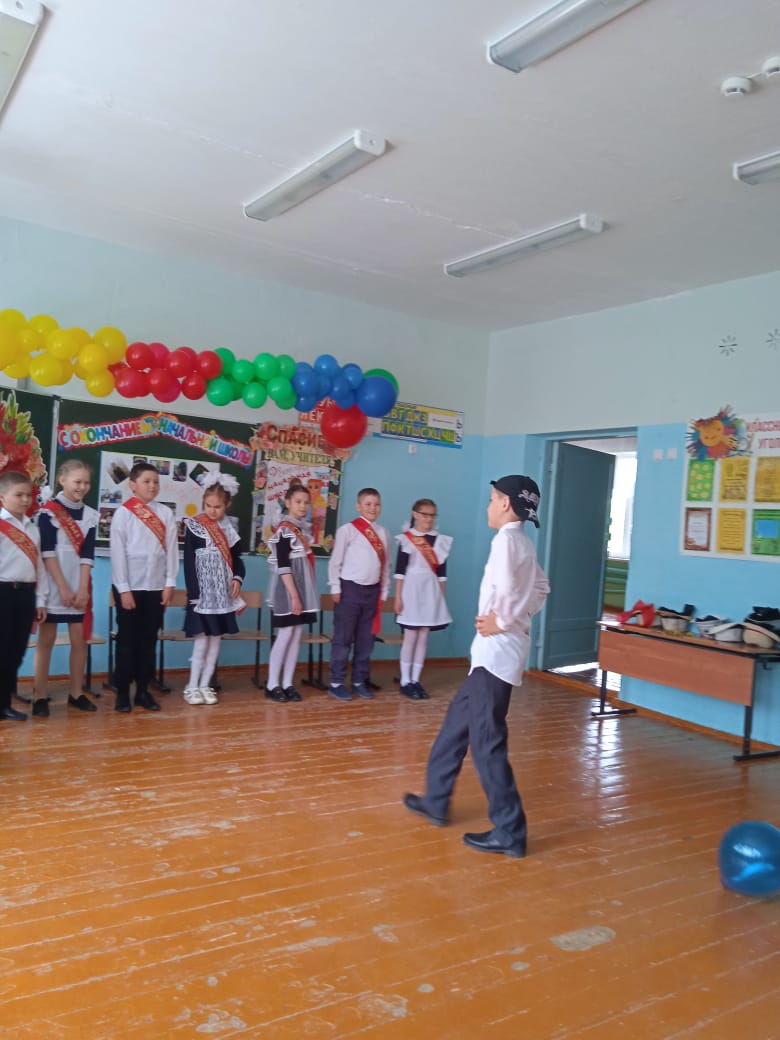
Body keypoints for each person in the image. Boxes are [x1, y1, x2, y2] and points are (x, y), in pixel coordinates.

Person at [403, 475, 550, 858]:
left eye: (491, 499)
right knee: (455, 729)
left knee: (487, 745)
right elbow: (541, 589)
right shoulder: (522, 541)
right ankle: (436, 800)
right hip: (490, 656)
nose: (488, 506)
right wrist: (516, 617)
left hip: (497, 657)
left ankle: (510, 831)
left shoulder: (506, 542)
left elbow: (513, 591)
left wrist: (505, 620)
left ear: (505, 504)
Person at [110, 462, 178, 713]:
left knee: (149, 641)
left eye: (156, 482)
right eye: (146, 481)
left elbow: (172, 551)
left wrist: (169, 583)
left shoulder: (165, 513)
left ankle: (142, 691)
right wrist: (124, 589)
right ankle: (122, 693)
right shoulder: (123, 514)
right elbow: (118, 554)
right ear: (132, 485)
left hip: (156, 587)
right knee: (127, 642)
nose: (152, 486)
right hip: (129, 587)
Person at [33, 460, 99, 717]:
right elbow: (48, 553)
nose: (82, 487)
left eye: (86, 482)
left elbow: (87, 556)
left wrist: (82, 589)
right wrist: (62, 588)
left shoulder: (91, 516)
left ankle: (76, 692)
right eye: (77, 481)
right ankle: (39, 695)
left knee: (79, 640)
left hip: (78, 586)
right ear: (62, 480)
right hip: (53, 586)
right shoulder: (48, 512)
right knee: (46, 640)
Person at [182, 473, 246, 706]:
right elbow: (189, 563)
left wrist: (237, 578)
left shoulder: (230, 529)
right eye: (208, 505)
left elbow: (237, 560)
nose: (212, 511)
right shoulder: (194, 526)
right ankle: (191, 686)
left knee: (215, 641)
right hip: (201, 596)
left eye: (217, 507)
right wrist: (194, 595)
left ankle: (205, 685)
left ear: (227, 504)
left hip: (222, 595)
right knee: (201, 641)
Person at [327, 487, 391, 702]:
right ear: (358, 506)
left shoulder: (383, 533)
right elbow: (335, 562)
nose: (373, 508)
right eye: (368, 504)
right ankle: (337, 682)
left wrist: (384, 591)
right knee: (343, 638)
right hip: (350, 590)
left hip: (373, 593)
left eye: (376, 504)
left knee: (366, 640)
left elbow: (386, 566)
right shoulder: (348, 530)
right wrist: (335, 587)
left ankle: (358, 681)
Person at [0, 471, 48, 721]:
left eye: (28, 495)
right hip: (3, 593)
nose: (25, 500)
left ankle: (4, 704)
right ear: (2, 497)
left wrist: (41, 600)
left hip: (26, 595)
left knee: (16, 652)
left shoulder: (32, 528)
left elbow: (39, 567)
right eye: (18, 495)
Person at [394, 498, 453, 700]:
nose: (429, 519)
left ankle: (416, 679)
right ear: (416, 515)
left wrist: (441, 598)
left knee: (423, 637)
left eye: (432, 515)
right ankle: (405, 681)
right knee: (410, 636)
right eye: (425, 515)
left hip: (430, 591)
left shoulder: (440, 540)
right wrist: (398, 597)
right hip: (411, 590)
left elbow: (442, 574)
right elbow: (400, 572)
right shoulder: (407, 539)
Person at [265, 481, 318, 702]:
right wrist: (294, 596)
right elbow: (283, 565)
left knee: (296, 636)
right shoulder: (285, 530)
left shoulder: (303, 530)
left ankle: (287, 683)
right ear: (287, 503)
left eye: (306, 502)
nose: (302, 506)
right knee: (286, 634)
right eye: (298, 502)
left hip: (301, 589)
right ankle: (272, 684)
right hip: (288, 590)